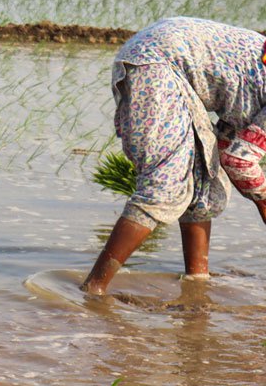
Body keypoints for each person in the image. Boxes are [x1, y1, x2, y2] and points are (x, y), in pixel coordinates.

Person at [80, 16, 266, 295]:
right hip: (157, 62)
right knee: (164, 184)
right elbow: (239, 161)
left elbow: (228, 147)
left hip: (169, 59)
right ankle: (93, 288)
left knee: (203, 177)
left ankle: (197, 283)